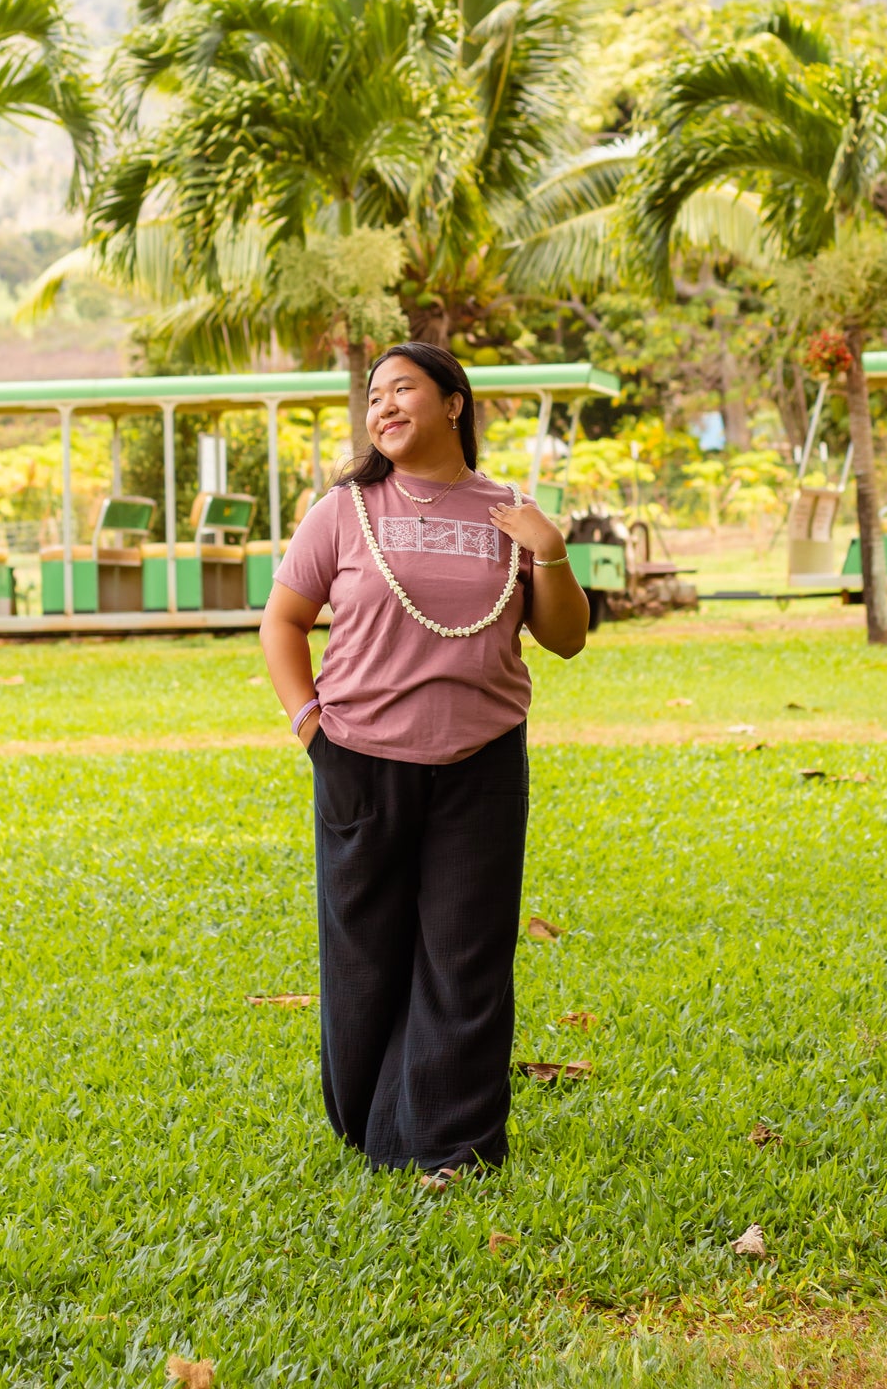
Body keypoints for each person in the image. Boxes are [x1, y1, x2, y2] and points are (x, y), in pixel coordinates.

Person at [260, 340, 589, 1183]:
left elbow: (565, 639)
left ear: (453, 403)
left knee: (465, 952)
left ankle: (451, 1145)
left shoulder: (511, 511)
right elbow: (283, 622)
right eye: (373, 398)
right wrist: (311, 729)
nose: (383, 408)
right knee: (366, 951)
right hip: (358, 759)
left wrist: (547, 550)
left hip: (481, 762)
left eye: (402, 389)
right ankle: (370, 1125)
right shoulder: (345, 509)